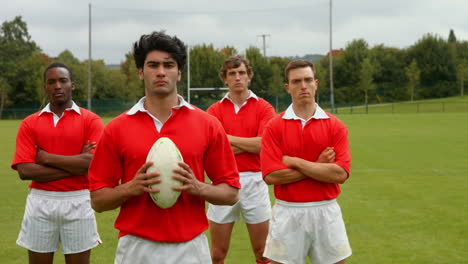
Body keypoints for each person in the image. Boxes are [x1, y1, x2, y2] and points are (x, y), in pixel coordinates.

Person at [87, 31, 240, 264]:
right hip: (136, 248)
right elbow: (98, 200)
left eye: (169, 65)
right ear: (140, 72)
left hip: (191, 248)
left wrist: (198, 187)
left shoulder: (208, 124)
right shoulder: (116, 128)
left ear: (179, 73)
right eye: (153, 65)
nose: (161, 71)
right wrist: (130, 188)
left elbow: (230, 193)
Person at [11, 62, 104, 264]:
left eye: (63, 80)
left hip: (79, 200)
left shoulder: (91, 120)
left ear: (72, 84)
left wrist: (46, 158)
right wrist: (77, 164)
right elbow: (25, 170)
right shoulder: (30, 123)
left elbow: (93, 163)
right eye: (51, 82)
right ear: (45, 87)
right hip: (40, 202)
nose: (57, 86)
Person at [260, 60, 352, 264]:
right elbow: (271, 176)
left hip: (326, 211)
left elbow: (340, 174)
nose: (303, 86)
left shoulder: (335, 126)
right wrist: (319, 165)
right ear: (288, 87)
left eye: (308, 80)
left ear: (316, 83)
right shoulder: (274, 127)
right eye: (297, 81)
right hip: (287, 211)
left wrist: (295, 162)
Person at [206, 55, 275, 264]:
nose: (238, 77)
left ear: (249, 76)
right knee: (217, 254)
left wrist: (226, 139)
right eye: (232, 73)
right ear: (225, 78)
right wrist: (247, 145)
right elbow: (212, 151)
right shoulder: (214, 111)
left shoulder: (264, 108)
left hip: (255, 182)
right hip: (222, 182)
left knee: (263, 253)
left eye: (242, 73)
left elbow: (264, 145)